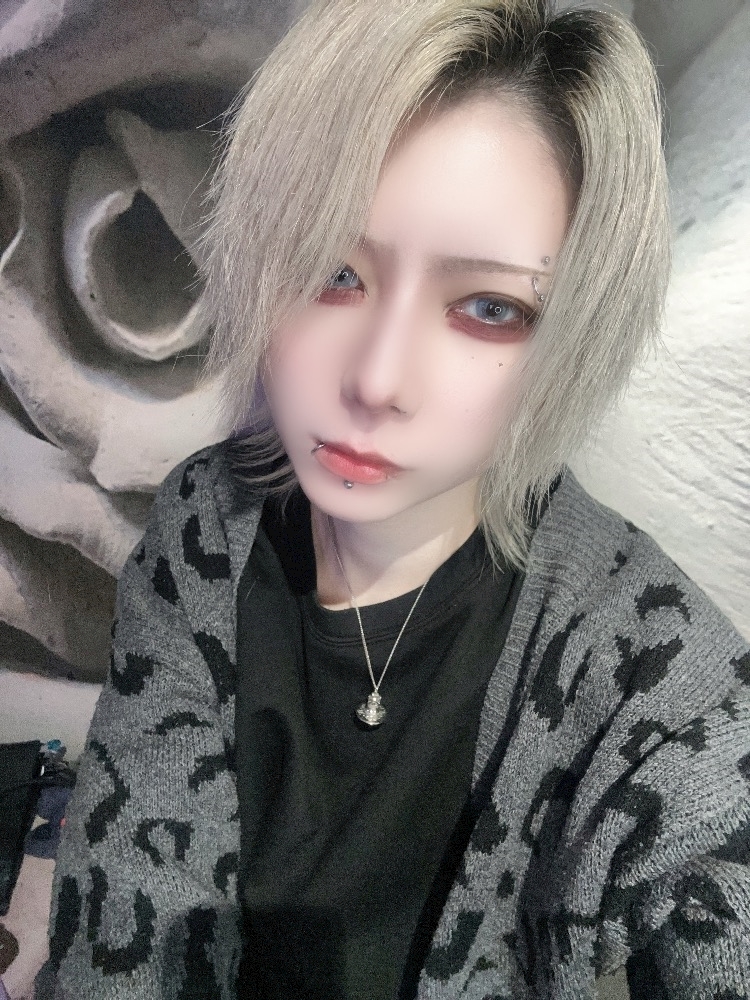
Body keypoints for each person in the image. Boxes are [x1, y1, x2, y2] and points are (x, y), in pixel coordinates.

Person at [48, 0, 750, 997]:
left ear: (570, 336)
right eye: (332, 271)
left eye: (488, 307)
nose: (377, 379)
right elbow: (124, 936)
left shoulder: (655, 671)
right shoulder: (206, 527)